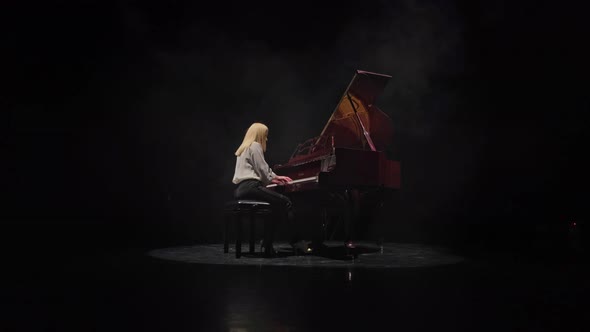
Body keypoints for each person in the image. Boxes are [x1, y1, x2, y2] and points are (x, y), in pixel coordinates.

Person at [232, 122, 313, 256]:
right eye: (266, 135)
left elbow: (262, 169)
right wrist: (273, 178)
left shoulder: (243, 148)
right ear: (259, 134)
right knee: (286, 202)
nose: (267, 139)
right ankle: (297, 242)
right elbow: (263, 169)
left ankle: (267, 243)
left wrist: (275, 177)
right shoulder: (255, 145)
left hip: (241, 188)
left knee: (275, 206)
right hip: (252, 186)